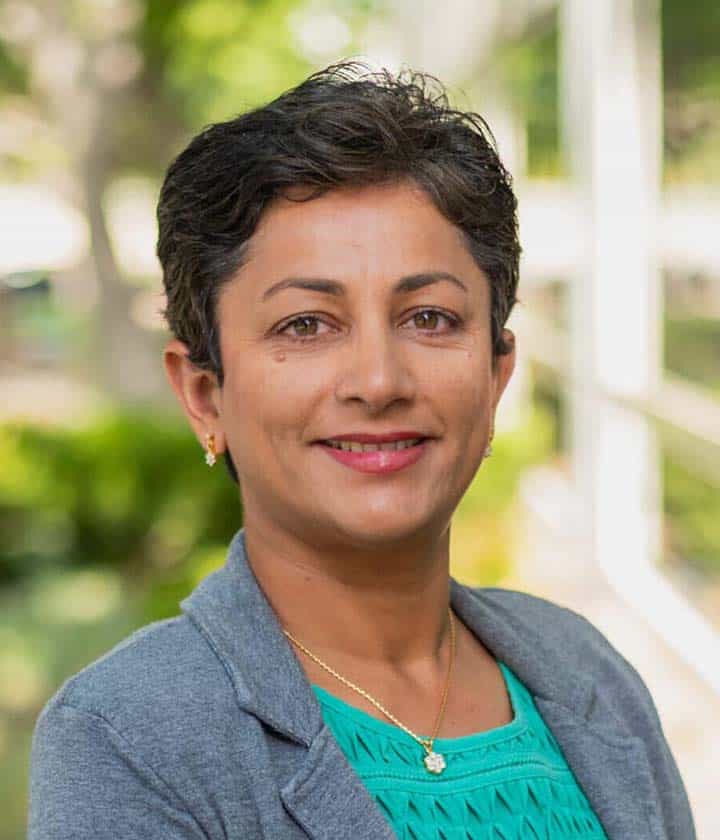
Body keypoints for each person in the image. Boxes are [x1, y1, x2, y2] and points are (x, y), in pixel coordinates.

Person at [27, 60, 695, 840]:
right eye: (306, 325)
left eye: (430, 318)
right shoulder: (127, 739)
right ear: (205, 395)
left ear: (495, 375)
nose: (378, 381)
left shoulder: (590, 673)